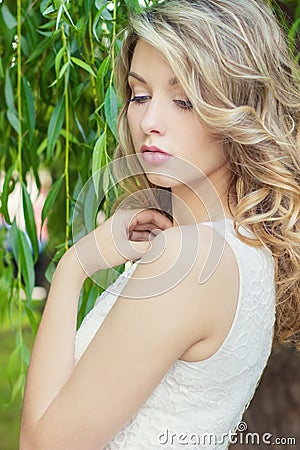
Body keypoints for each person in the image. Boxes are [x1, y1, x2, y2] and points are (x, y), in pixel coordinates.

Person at [20, 0, 300, 449]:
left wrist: (73, 268)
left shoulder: (189, 260)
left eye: (184, 99)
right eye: (140, 95)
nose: (149, 122)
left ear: (239, 111)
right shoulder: (248, 246)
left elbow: (43, 445)